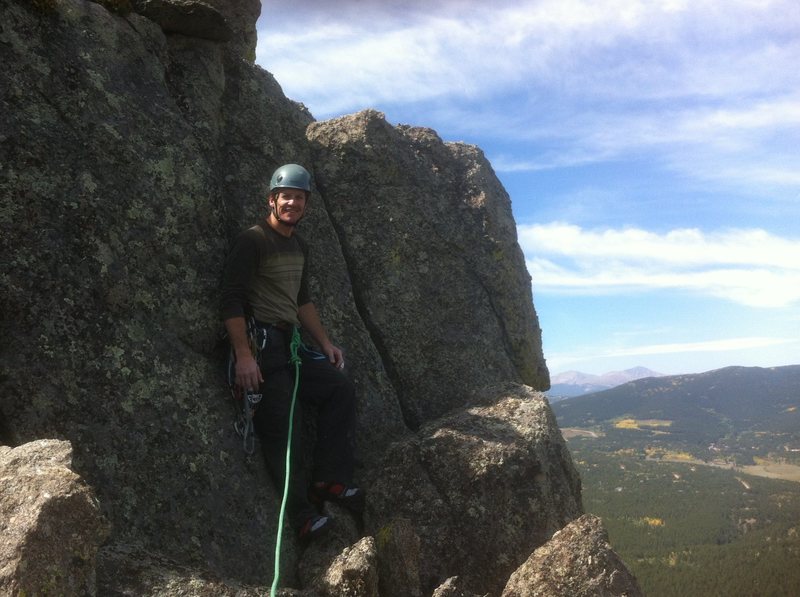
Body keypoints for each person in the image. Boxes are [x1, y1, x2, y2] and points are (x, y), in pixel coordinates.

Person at [221, 163, 363, 540]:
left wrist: (325, 343)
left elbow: (302, 300)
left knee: (339, 389)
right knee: (285, 428)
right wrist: (244, 356)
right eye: (287, 196)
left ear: (305, 205)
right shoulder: (252, 241)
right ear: (272, 199)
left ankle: (329, 481)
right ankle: (301, 516)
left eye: (299, 198)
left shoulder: (300, 245)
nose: (293, 203)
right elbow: (231, 299)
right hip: (262, 344)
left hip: (291, 341)